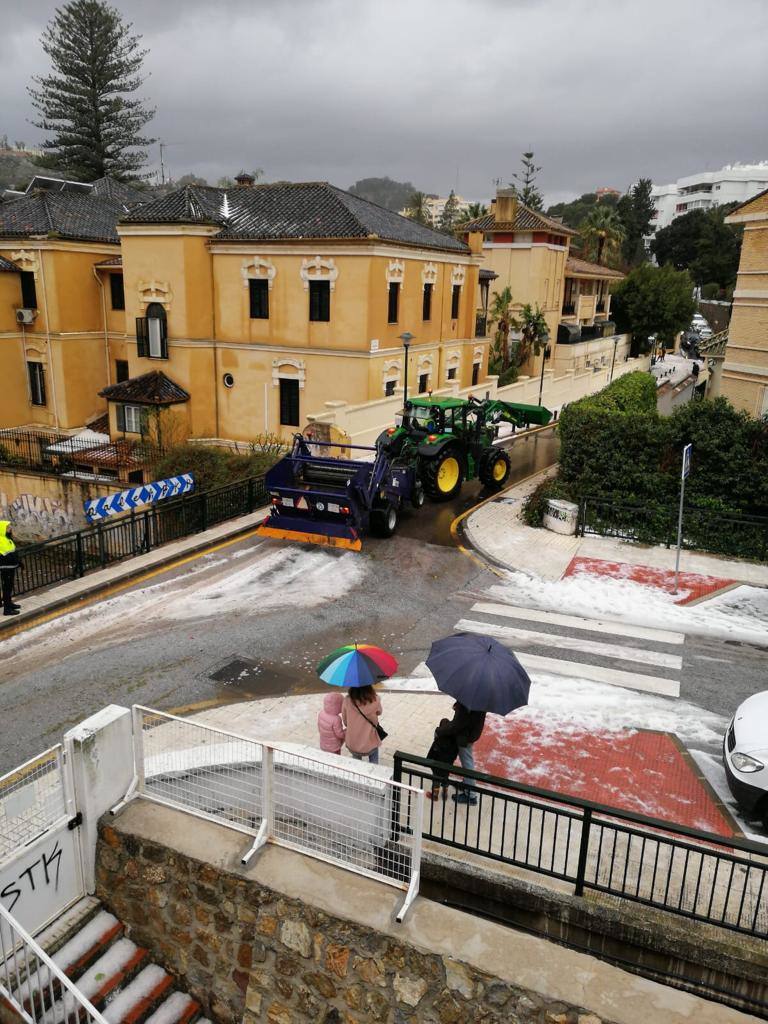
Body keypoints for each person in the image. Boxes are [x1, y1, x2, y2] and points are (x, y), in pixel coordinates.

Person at [433, 701, 486, 804]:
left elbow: (456, 725)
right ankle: (467, 784)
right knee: (466, 760)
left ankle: (471, 796)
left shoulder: (467, 703)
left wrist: (439, 731)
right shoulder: (479, 699)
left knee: (467, 763)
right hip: (471, 733)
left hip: (465, 736)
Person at [342, 685, 383, 764]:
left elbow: (345, 721)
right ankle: (374, 774)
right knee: (374, 760)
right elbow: (379, 712)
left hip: (354, 740)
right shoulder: (375, 699)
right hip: (371, 740)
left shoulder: (347, 700)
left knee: (356, 762)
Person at [425, 720, 459, 801]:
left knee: (436, 779)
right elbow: (455, 754)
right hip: (447, 765)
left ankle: (435, 795)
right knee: (445, 778)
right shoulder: (454, 742)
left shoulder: (438, 741)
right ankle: (445, 793)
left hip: (437, 765)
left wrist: (428, 761)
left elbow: (432, 752)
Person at [0, 521, 21, 617]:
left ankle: (9, 604)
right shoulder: (1, 540)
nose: (10, 528)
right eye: (7, 527)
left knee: (9, 586)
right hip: (6, 568)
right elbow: (6, 555)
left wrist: (18, 562)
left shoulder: (7, 538)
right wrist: (14, 560)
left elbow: (12, 551)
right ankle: (7, 609)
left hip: (10, 567)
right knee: (7, 588)